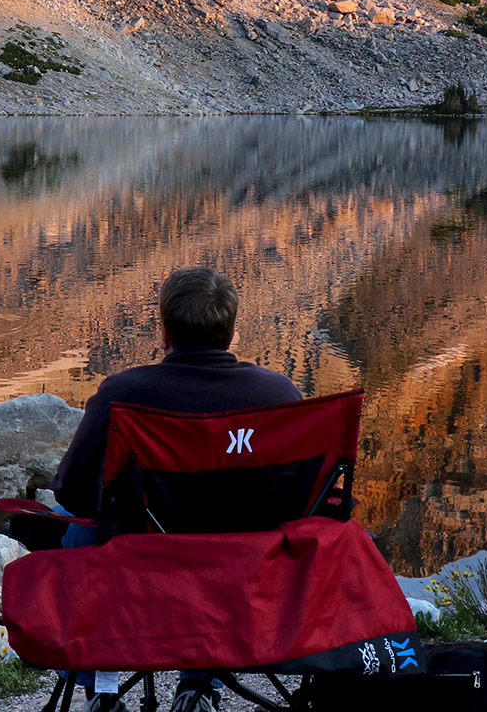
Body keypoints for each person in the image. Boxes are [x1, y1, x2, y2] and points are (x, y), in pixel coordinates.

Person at [51, 266, 301, 712]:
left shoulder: (123, 394)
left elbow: (70, 491)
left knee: (84, 531)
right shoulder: (280, 396)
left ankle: (102, 691)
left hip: (143, 576)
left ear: (164, 333)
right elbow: (305, 500)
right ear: (232, 332)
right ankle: (198, 685)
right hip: (249, 575)